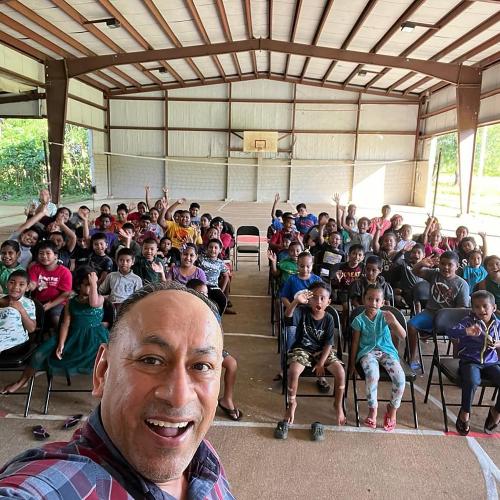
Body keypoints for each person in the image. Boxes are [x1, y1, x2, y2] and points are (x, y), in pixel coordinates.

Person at [0, 281, 233, 498]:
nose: (179, 397)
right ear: (102, 371)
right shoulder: (55, 485)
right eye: (151, 360)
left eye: (201, 366)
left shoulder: (203, 457)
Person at [2, 267, 108, 394]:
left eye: (93, 285)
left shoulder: (99, 299)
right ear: (79, 286)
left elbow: (93, 302)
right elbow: (65, 323)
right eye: (87, 285)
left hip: (94, 338)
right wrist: (61, 343)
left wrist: (93, 283)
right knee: (39, 353)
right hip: (72, 335)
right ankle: (22, 382)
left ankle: (104, 390)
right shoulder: (72, 302)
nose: (91, 288)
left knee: (106, 359)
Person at [275, 282, 346, 440]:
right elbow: (287, 318)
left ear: (329, 302)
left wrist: (321, 362)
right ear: (309, 299)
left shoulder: (329, 318)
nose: (318, 301)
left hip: (323, 352)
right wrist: (295, 302)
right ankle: (292, 403)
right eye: (315, 297)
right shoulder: (301, 311)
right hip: (302, 350)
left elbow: (329, 343)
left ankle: (338, 404)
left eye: (323, 298)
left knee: (341, 372)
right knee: (293, 371)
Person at [349, 285, 407, 432]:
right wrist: (352, 364)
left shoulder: (386, 316)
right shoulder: (359, 320)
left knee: (400, 378)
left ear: (382, 302)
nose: (373, 303)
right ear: (364, 299)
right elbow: (355, 342)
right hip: (367, 353)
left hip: (387, 352)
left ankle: (392, 409)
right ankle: (372, 409)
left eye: (377, 300)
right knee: (372, 375)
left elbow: (403, 335)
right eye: (369, 299)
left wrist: (393, 321)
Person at [186, 279, 242, 422]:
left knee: (231, 364)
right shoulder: (184, 311)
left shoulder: (212, 309)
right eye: (200, 293)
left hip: (210, 348)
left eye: (205, 293)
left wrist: (218, 349)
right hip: (189, 350)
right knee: (202, 370)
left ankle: (226, 400)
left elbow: (219, 331)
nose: (204, 297)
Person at [447, 290, 500, 435]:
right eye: (476, 307)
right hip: (470, 361)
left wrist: (496, 344)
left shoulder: (498, 324)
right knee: (471, 380)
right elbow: (450, 332)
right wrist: (466, 331)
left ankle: (496, 411)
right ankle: (465, 412)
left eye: (485, 306)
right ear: (472, 308)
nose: (481, 310)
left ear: (493, 308)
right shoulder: (468, 321)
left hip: (491, 362)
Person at [407, 251, 470, 371]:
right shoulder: (434, 274)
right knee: (411, 325)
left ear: (457, 267)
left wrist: (446, 316)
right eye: (442, 263)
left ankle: (456, 365)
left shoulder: (462, 284)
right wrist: (421, 264)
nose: (445, 267)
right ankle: (412, 358)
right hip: (430, 313)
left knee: (457, 336)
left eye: (450, 265)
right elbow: (414, 271)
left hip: (450, 318)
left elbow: (462, 309)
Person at [28, 241, 72, 329]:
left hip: (58, 302)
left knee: (55, 317)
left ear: (56, 256)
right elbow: (33, 283)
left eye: (48, 253)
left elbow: (66, 294)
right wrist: (28, 287)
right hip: (39, 301)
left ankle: (61, 337)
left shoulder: (65, 272)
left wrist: (50, 304)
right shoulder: (34, 268)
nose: (44, 256)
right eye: (41, 253)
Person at [0, 270, 36, 354]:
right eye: (12, 282)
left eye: (21, 284)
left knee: (10, 312)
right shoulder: (1, 297)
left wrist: (21, 310)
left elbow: (31, 329)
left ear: (27, 288)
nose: (15, 287)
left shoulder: (28, 303)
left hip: (14, 342)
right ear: (6, 284)